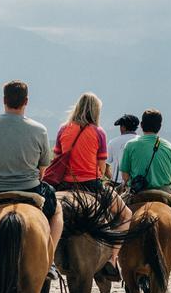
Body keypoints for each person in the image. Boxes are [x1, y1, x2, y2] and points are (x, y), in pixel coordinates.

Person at [0, 80, 63, 284]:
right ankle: (48, 259)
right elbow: (43, 169)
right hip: (29, 188)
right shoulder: (39, 129)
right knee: (57, 210)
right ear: (26, 101)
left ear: (4, 100)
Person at [49, 93, 132, 273]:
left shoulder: (63, 129)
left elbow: (56, 158)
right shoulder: (98, 132)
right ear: (96, 111)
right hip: (91, 184)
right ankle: (112, 259)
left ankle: (45, 257)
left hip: (63, 185)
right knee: (126, 215)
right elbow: (101, 168)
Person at [119, 109, 171, 239]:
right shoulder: (169, 146)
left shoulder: (131, 145)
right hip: (164, 192)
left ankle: (114, 253)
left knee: (115, 217)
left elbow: (125, 176)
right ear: (159, 127)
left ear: (142, 125)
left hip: (138, 192)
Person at [106, 114, 139, 183]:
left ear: (123, 127)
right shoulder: (142, 141)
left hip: (117, 183)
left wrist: (113, 178)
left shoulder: (113, 142)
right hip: (137, 184)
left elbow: (105, 168)